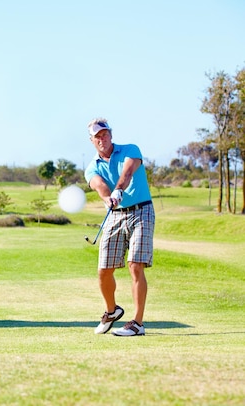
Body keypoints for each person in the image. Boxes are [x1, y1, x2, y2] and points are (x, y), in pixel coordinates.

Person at [84, 118, 155, 336]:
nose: (102, 139)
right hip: (115, 215)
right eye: (97, 136)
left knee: (135, 265)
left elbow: (127, 173)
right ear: (92, 141)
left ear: (111, 135)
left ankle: (137, 323)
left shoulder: (130, 150)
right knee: (104, 271)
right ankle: (111, 311)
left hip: (141, 211)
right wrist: (108, 198)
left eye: (104, 134)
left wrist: (119, 190)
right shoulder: (91, 168)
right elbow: (99, 185)